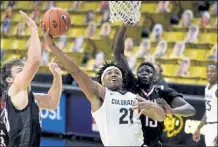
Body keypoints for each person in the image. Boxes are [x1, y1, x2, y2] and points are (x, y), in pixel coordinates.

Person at [41, 22, 167, 146]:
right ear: (102, 82)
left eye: (117, 73)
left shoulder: (132, 97)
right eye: (109, 73)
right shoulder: (100, 95)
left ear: (122, 80)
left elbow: (160, 117)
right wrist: (52, 46)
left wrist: (152, 105)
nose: (113, 74)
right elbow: (76, 71)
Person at [112, 23, 196, 147]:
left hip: (154, 144)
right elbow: (118, 54)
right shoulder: (132, 86)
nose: (144, 73)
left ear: (155, 77)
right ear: (137, 75)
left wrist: (171, 111)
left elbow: (191, 110)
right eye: (141, 71)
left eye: (148, 71)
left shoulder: (162, 91)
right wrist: (124, 26)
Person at [0, 11, 63, 147]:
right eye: (20, 70)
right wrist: (34, 29)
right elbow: (34, 61)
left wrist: (57, 77)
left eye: (24, 69)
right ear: (10, 80)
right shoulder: (15, 90)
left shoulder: (27, 97)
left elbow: (52, 102)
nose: (26, 72)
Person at [193, 63, 217, 147]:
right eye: (208, 71)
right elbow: (208, 111)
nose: (209, 73)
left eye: (212, 71)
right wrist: (199, 127)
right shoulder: (207, 87)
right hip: (209, 127)